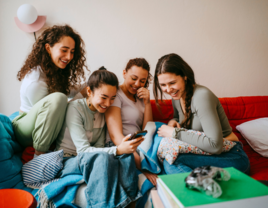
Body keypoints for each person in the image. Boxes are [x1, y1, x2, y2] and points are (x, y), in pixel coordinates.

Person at [56, 67, 143, 208]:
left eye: (112, 98)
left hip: (90, 158)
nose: (108, 104)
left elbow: (99, 147)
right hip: (68, 159)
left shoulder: (103, 112)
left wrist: (122, 151)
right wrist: (117, 150)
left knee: (126, 156)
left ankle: (130, 203)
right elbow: (84, 151)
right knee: (105, 157)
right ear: (89, 92)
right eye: (103, 97)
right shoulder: (75, 108)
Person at [154, 53, 250, 174]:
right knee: (169, 159)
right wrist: (173, 122)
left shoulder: (202, 96)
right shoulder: (177, 97)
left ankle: (194, 190)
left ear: (184, 76)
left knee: (172, 160)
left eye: (172, 83)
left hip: (231, 156)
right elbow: (178, 118)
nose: (168, 89)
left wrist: (175, 133)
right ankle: (201, 185)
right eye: (163, 85)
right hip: (202, 153)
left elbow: (215, 146)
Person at [12, 25, 89, 157]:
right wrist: (81, 95)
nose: (69, 56)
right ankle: (39, 155)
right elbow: (54, 111)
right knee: (60, 99)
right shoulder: (35, 81)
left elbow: (69, 89)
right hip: (26, 129)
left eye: (72, 51)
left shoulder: (53, 70)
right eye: (64, 50)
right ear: (48, 48)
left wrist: (89, 84)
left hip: (43, 125)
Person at [105, 58, 158, 186]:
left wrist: (147, 103)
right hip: (121, 146)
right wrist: (143, 166)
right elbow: (115, 136)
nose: (137, 84)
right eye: (133, 78)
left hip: (139, 145)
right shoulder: (115, 94)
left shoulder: (140, 97)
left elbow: (147, 130)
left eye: (142, 81)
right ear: (124, 73)